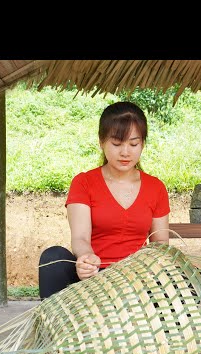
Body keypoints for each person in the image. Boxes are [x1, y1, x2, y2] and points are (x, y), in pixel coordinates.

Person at [39, 101, 170, 300]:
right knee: (52, 258)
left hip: (138, 279)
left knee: (190, 276)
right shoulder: (84, 182)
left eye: (133, 144)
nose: (125, 152)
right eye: (116, 144)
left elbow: (160, 245)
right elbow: (80, 238)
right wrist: (86, 260)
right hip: (93, 276)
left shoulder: (156, 187)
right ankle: (56, 328)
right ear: (102, 142)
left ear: (142, 143)